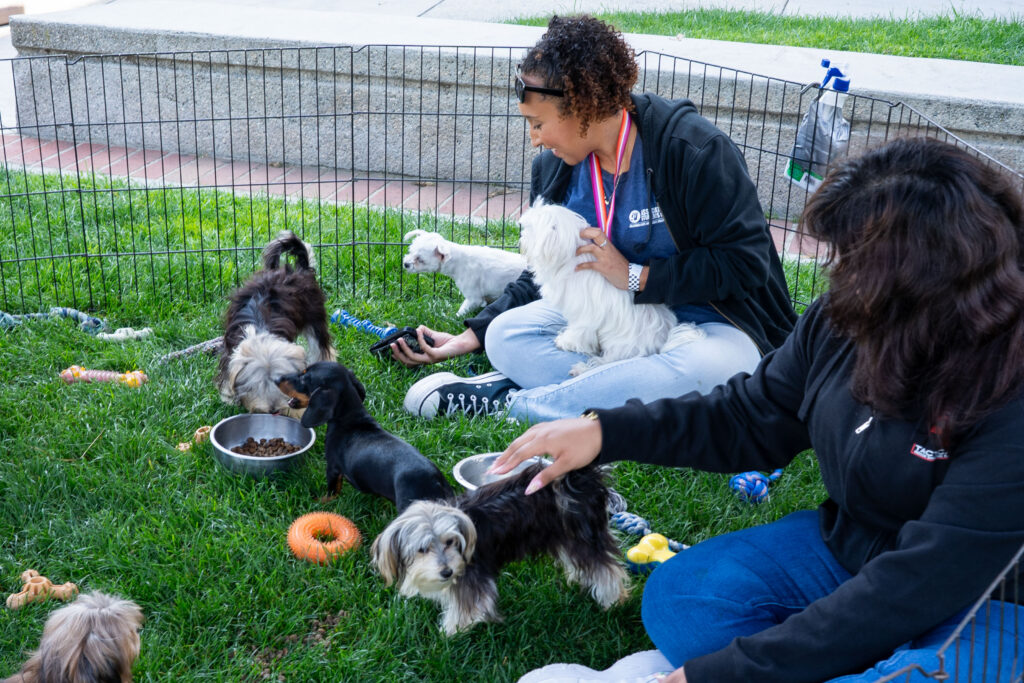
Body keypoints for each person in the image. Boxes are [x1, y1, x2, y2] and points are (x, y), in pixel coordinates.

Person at [490, 136, 1024, 682]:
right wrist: (605, 432)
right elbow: (749, 415)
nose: (841, 278)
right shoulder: (847, 320)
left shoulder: (1009, 388)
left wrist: (720, 674)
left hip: (990, 598)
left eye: (860, 264)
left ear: (931, 280)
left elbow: (920, 580)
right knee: (683, 596)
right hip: (853, 548)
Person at [396, 15, 797, 423]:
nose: (535, 139)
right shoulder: (554, 170)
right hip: (608, 322)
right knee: (505, 336)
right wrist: (472, 335)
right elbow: (544, 272)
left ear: (583, 107)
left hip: (709, 326)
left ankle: (513, 402)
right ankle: (619, 391)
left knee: (710, 372)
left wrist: (636, 277)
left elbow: (746, 263)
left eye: (538, 123)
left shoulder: (692, 151)